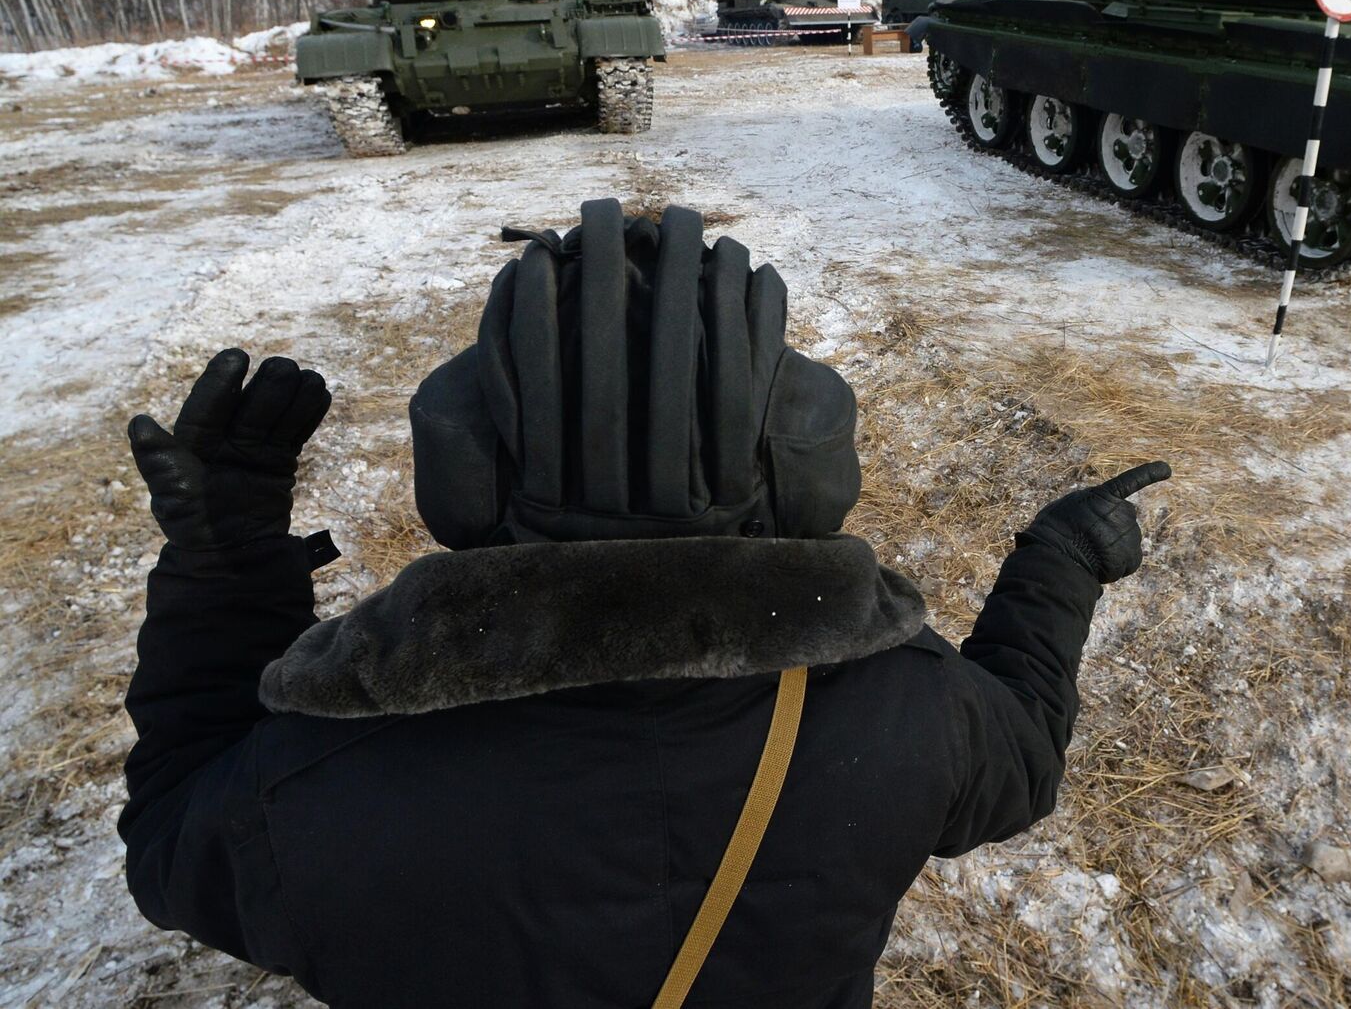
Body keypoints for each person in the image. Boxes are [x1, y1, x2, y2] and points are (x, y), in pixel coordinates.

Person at [119, 198, 1169, 1008]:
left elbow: (172, 835)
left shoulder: (316, 785)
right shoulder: (905, 718)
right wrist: (1060, 561)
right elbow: (1025, 749)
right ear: (804, 466)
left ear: (466, 468)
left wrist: (228, 570)